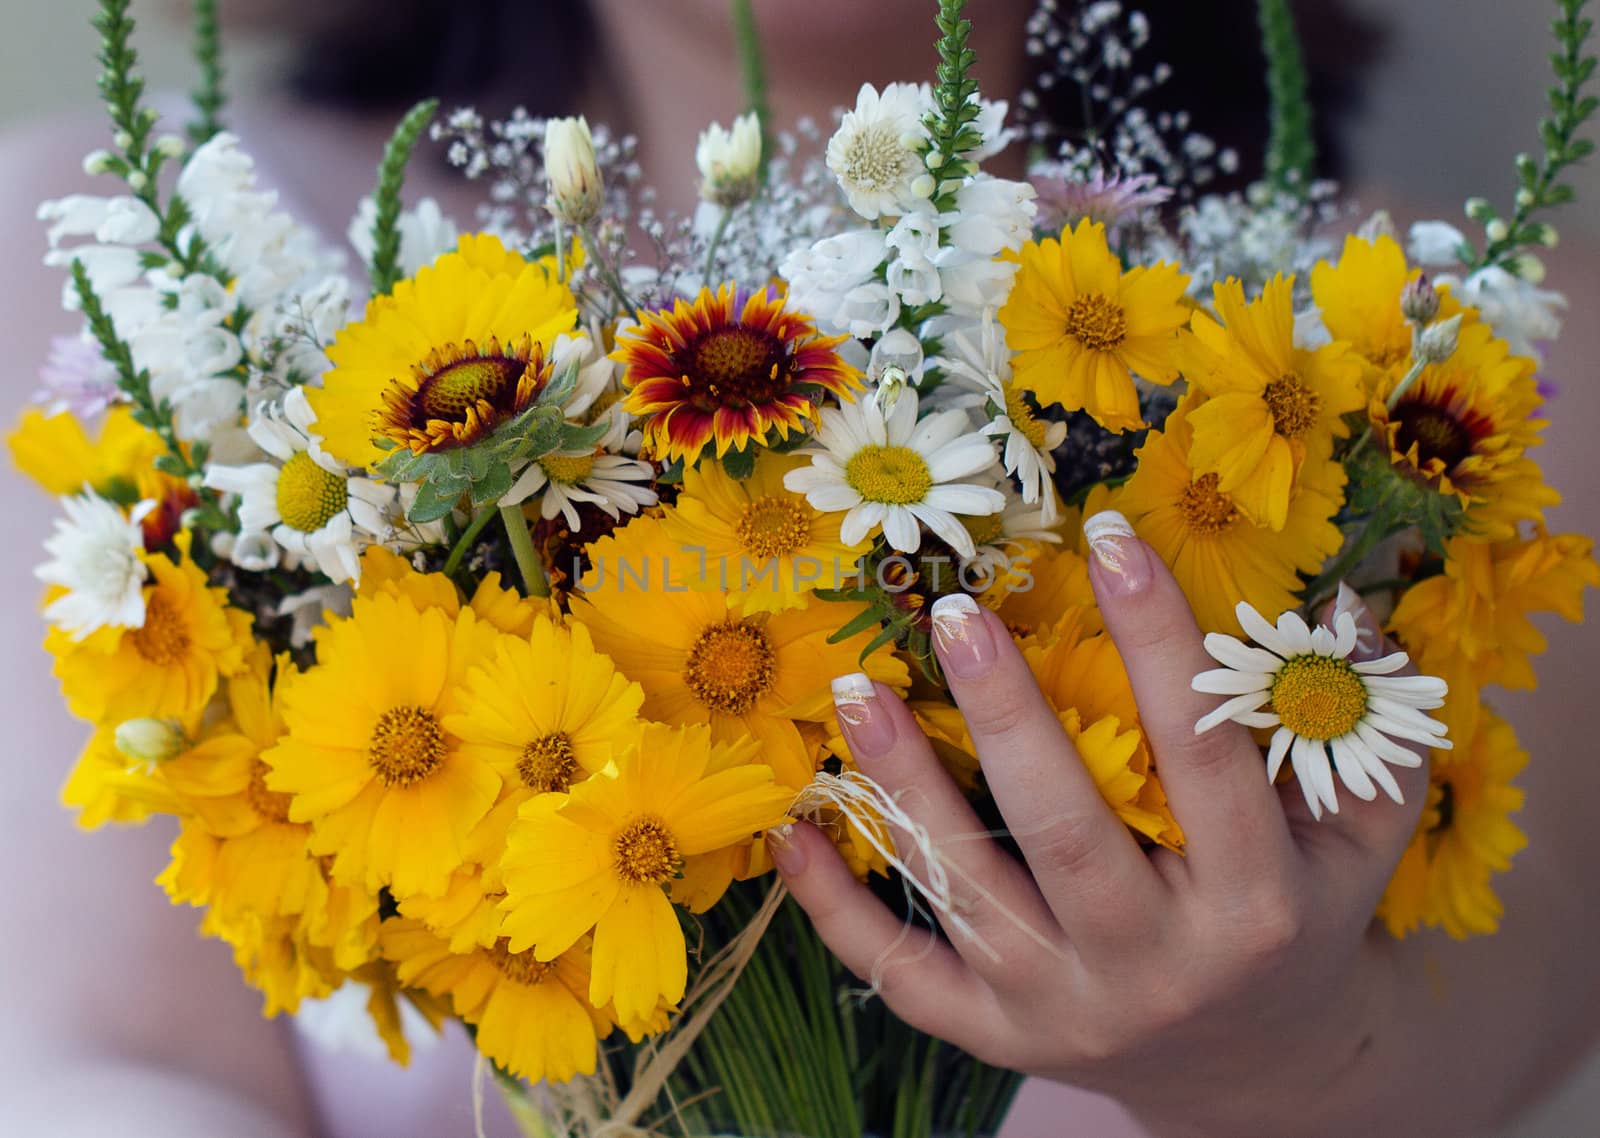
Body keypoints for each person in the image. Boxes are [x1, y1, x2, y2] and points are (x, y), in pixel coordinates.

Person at [0, 1, 1596, 1135]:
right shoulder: (130, 277)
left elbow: (1487, 1045)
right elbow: (99, 1068)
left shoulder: (1449, 365)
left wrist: (1273, 1059)